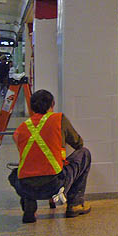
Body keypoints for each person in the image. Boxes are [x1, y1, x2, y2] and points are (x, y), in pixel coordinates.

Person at [8, 89, 91, 223]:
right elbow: (78, 143)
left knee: (15, 174)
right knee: (84, 153)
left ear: (32, 107)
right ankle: (75, 204)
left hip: (26, 186)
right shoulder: (58, 119)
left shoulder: (21, 128)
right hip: (54, 184)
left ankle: (29, 205)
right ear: (52, 104)